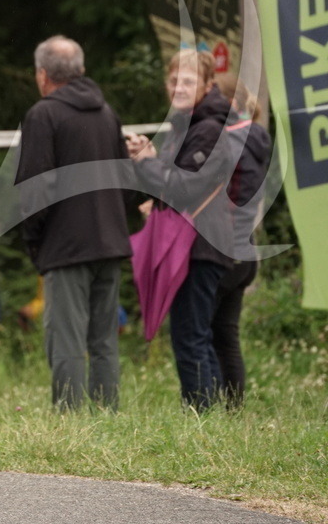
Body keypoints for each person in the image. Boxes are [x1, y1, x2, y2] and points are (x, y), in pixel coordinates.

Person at [15, 35, 132, 411]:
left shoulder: (43, 115)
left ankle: (69, 419)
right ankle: (106, 415)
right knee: (103, 340)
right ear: (81, 70)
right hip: (110, 242)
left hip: (66, 246)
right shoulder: (107, 113)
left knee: (65, 340)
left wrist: (34, 240)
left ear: (43, 74)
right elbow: (125, 180)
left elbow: (36, 188)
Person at [127, 49, 235, 412]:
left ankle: (201, 416)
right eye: (174, 80)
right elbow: (170, 181)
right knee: (195, 334)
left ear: (207, 84)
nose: (179, 87)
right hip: (193, 244)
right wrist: (150, 156)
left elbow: (184, 188)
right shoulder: (184, 125)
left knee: (191, 335)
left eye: (188, 81)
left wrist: (147, 163)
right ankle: (210, 415)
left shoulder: (208, 128)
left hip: (200, 245)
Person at [209, 73, 271, 409]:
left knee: (202, 331)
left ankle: (208, 404)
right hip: (247, 252)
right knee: (226, 335)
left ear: (229, 104)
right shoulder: (257, 137)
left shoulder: (229, 142)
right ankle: (234, 409)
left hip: (224, 250)